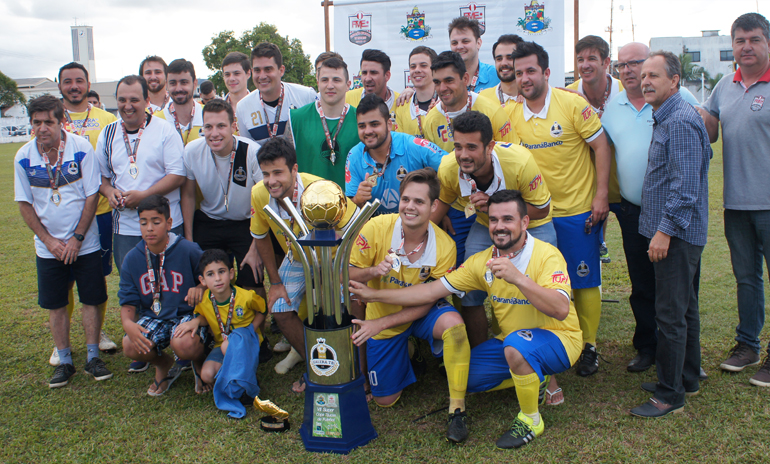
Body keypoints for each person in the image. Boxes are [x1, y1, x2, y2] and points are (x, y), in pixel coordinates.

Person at [350, 190, 581, 449]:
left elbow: (561, 309)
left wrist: (519, 278)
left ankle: (530, 419)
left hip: (560, 339)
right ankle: (537, 376)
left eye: (508, 219)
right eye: (493, 220)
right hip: (510, 343)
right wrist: (374, 293)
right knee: (461, 377)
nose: (499, 226)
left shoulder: (547, 255)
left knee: (518, 345)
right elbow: (430, 291)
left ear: (524, 223)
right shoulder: (481, 262)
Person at [510, 41, 612, 377]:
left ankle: (589, 346)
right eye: (519, 71)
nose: (524, 77)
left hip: (577, 211)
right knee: (543, 282)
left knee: (583, 280)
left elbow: (601, 145)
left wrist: (601, 196)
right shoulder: (510, 115)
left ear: (546, 72)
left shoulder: (571, 104)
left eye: (531, 70)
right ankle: (552, 340)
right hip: (536, 217)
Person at [349, 168, 470, 443]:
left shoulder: (445, 246)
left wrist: (379, 323)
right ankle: (409, 348)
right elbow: (346, 273)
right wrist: (372, 273)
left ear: (434, 206)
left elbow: (427, 301)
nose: (410, 207)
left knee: (454, 325)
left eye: (419, 201)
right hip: (384, 316)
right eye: (405, 199)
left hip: (417, 314)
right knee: (385, 400)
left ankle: (457, 407)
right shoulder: (377, 226)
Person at [602, 42, 700, 373]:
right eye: (624, 66)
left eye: (641, 66)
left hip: (673, 217)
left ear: (672, 79)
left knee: (679, 293)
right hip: (634, 212)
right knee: (643, 285)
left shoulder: (679, 105)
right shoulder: (612, 106)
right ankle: (649, 348)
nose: (631, 72)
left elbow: (699, 145)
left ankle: (684, 363)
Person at [629, 51, 712, 417]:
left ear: (675, 81)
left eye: (654, 76)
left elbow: (685, 188)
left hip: (677, 235)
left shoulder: (678, 120)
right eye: (642, 75)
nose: (645, 81)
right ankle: (687, 378)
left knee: (670, 315)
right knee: (684, 310)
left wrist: (663, 232)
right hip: (675, 232)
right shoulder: (666, 116)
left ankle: (669, 394)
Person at [431, 110, 553, 348]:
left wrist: (495, 207)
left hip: (533, 225)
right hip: (485, 226)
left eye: (472, 147)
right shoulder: (448, 167)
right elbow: (442, 203)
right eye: (458, 146)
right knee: (469, 293)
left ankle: (542, 351)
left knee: (541, 286)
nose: (463, 155)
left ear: (490, 146)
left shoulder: (519, 161)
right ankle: (478, 353)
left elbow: (542, 210)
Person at [15, 95, 111, 388]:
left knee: (92, 298)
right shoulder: (24, 156)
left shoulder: (81, 148)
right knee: (55, 303)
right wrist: (49, 241)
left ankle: (93, 356)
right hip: (48, 248)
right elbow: (25, 204)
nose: (42, 128)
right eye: (36, 122)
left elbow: (92, 195)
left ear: (62, 122)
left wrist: (77, 238)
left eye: (49, 122)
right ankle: (66, 360)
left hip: (85, 243)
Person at [250, 137, 357, 391]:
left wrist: (342, 269)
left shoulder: (320, 188)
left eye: (278, 172)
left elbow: (355, 227)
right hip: (298, 256)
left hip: (335, 258)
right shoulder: (259, 193)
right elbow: (260, 236)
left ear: (294, 169)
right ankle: (314, 364)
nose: (271, 180)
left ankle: (348, 364)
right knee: (279, 307)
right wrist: (275, 282)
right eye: (266, 174)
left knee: (345, 309)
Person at [700, 12, 770, 387]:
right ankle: (747, 346)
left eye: (754, 39)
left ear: (767, 43)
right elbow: (710, 130)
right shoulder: (725, 85)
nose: (746, 47)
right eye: (739, 40)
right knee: (747, 279)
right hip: (737, 203)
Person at [52, 62, 119, 366]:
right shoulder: (52, 119)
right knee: (62, 279)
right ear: (60, 86)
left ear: (88, 83)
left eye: (79, 81)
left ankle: (99, 332)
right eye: (68, 81)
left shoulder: (105, 119)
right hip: (62, 215)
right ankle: (60, 343)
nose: (74, 86)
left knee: (97, 277)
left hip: (101, 212)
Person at [97, 75, 187, 273]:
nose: (127, 106)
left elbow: (178, 175)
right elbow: (102, 178)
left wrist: (144, 197)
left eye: (134, 100)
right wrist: (110, 192)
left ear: (147, 101)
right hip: (126, 227)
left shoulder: (165, 130)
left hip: (164, 223)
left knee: (172, 284)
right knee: (134, 287)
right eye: (122, 100)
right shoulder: (107, 133)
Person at [118, 195, 205, 396]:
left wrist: (200, 288)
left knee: (184, 343)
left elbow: (212, 279)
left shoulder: (188, 250)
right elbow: (128, 300)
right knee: (129, 344)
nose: (149, 228)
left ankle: (199, 361)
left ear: (169, 223)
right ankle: (163, 363)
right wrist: (128, 324)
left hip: (186, 315)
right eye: (143, 222)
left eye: (156, 222)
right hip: (154, 316)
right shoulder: (132, 258)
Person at [181, 99, 264, 296]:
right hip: (210, 220)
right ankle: (211, 323)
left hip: (246, 223)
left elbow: (264, 201)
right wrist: (190, 239)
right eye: (208, 127)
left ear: (234, 127)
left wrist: (255, 247)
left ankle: (257, 323)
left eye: (221, 126)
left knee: (252, 278)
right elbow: (188, 195)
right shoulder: (192, 151)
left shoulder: (251, 152)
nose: (214, 133)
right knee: (205, 281)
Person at [171, 249, 266, 396]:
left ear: (231, 273)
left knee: (228, 346)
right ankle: (231, 378)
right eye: (210, 274)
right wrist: (195, 321)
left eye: (222, 271)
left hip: (246, 342)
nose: (217, 278)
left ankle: (246, 380)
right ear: (202, 280)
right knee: (207, 375)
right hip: (221, 344)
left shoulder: (246, 296)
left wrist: (251, 329)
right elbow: (204, 317)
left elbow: (263, 310)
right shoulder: (204, 300)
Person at [567, 35, 624, 264]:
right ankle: (601, 245)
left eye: (592, 58)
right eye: (580, 59)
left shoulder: (624, 90)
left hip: (624, 187)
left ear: (606, 61)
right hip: (586, 187)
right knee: (586, 256)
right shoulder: (568, 94)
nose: (585, 65)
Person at [347, 94, 447, 214]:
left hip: (417, 225)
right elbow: (350, 208)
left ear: (389, 124)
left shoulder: (413, 145)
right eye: (362, 126)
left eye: (374, 124)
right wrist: (357, 199)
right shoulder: (354, 156)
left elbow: (450, 167)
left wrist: (442, 209)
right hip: (377, 228)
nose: (368, 131)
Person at [422, 51, 517, 154]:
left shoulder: (491, 111)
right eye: (437, 82)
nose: (442, 88)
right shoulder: (430, 120)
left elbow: (513, 155)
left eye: (449, 81)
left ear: (465, 79)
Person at [285, 57, 359, 186]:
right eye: (325, 80)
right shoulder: (296, 119)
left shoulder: (361, 120)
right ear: (318, 83)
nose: (330, 86)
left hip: (351, 203)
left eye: (336, 80)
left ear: (348, 85)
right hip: (309, 203)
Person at [236, 42, 317, 144]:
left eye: (268, 69)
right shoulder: (243, 107)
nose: (262, 76)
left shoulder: (306, 96)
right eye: (257, 70)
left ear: (281, 70)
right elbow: (248, 150)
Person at [154, 59, 204, 146]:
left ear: (195, 83)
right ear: (167, 85)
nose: (178, 89)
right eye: (173, 83)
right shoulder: (155, 121)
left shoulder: (210, 114)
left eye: (184, 82)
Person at [394, 46, 437, 138]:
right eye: (413, 66)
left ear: (434, 69)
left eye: (423, 65)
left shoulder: (445, 101)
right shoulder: (402, 106)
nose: (417, 70)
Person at [448, 16, 499, 92]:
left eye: (465, 41)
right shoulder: (445, 78)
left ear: (478, 43)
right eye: (454, 43)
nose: (459, 46)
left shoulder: (496, 76)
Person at [345, 49, 401, 115]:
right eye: (364, 73)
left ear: (387, 76)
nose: (368, 78)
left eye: (373, 73)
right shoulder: (347, 99)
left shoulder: (401, 102)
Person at [479, 34, 524, 108]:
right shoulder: (483, 98)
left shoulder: (533, 97)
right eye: (499, 59)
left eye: (510, 58)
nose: (504, 63)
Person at [221, 51, 252, 133]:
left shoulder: (260, 105)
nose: (231, 78)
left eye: (236, 73)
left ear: (248, 74)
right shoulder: (217, 110)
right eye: (227, 74)